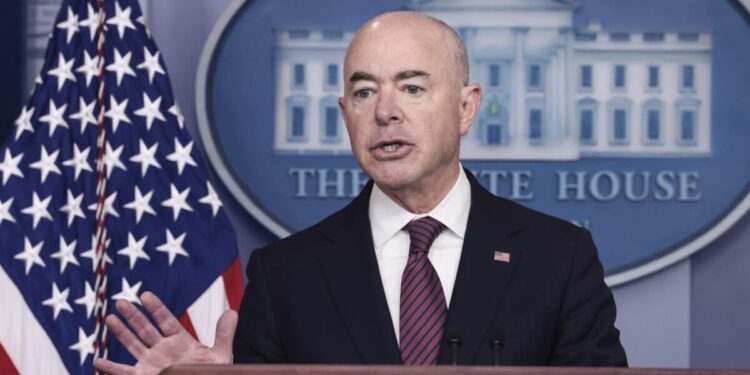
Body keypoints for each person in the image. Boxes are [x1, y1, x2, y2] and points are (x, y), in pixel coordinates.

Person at [95, 11, 627, 374]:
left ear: (467, 107)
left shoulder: (557, 258)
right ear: (345, 114)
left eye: (412, 88)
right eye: (364, 91)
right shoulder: (285, 274)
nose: (385, 111)